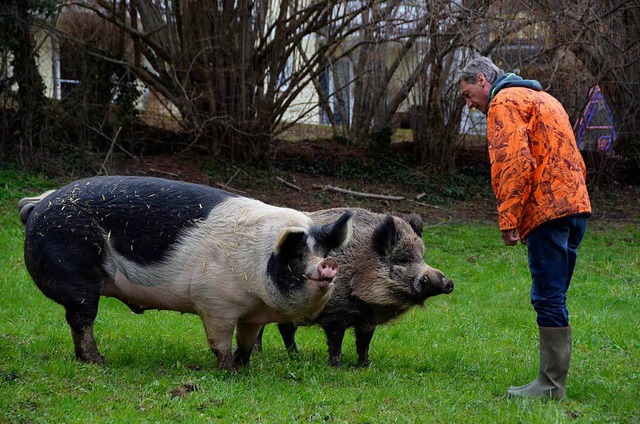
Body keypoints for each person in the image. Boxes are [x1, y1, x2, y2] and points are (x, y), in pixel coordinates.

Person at [457, 56, 591, 400]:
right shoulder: (544, 99)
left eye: (469, 94)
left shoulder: (504, 102)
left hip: (546, 210)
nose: (470, 104)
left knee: (547, 295)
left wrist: (509, 219)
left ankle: (549, 387)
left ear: (484, 80)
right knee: (556, 294)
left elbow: (513, 163)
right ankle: (552, 381)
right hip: (575, 207)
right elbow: (573, 155)